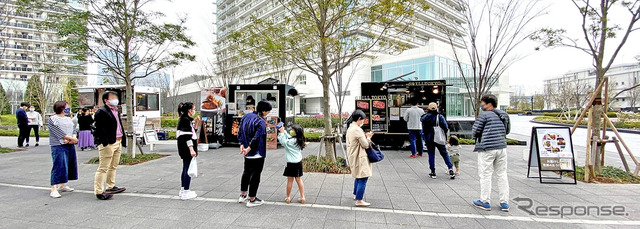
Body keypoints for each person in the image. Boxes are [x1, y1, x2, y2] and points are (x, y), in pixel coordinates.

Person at [472, 94, 511, 212]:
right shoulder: (504, 115)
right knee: (502, 174)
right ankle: (504, 203)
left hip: (487, 148)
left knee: (485, 174)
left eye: (482, 103)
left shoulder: (484, 115)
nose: (481, 105)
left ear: (489, 104)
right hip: (501, 147)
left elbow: (475, 131)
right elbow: (507, 131)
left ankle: (485, 201)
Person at [237, 100, 272, 207]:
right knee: (256, 174)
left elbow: (240, 131)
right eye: (268, 111)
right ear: (264, 111)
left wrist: (242, 144)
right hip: (257, 151)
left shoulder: (246, 117)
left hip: (246, 151)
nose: (268, 113)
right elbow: (257, 137)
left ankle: (243, 194)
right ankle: (252, 199)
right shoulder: (260, 121)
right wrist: (249, 148)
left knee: (246, 172)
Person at [93, 91, 127, 200]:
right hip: (108, 143)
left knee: (113, 166)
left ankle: (110, 185)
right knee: (103, 168)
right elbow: (99, 129)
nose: (115, 99)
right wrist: (105, 142)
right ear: (106, 100)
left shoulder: (115, 111)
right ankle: (99, 191)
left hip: (118, 140)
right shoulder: (101, 112)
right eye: (112, 98)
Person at [48, 101, 78, 198]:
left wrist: (73, 137)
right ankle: (53, 188)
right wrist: (71, 139)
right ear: (60, 107)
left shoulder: (68, 119)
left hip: (69, 144)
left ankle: (62, 185)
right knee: (58, 165)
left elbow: (73, 129)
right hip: (58, 145)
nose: (68, 108)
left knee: (68, 164)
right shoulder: (52, 119)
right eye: (66, 107)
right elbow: (58, 132)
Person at [346, 110, 374, 207]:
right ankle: (359, 200)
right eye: (363, 120)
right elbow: (365, 145)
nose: (363, 122)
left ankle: (356, 194)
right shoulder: (357, 130)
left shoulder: (350, 128)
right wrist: (369, 137)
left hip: (353, 155)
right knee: (363, 177)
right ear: (359, 119)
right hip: (360, 157)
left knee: (358, 175)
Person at [421, 102, 455, 179]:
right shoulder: (439, 117)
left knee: (431, 154)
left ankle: (433, 172)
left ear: (428, 109)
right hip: (439, 138)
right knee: (444, 153)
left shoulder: (425, 117)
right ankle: (450, 169)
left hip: (429, 138)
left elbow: (423, 127)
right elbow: (445, 127)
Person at [278, 124, 306, 204]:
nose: (291, 131)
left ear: (296, 132)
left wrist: (282, 133)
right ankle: (302, 197)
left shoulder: (290, 142)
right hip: (298, 163)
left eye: (293, 130)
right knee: (299, 180)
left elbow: (283, 142)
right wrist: (284, 132)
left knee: (290, 181)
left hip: (291, 163)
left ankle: (288, 197)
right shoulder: (299, 140)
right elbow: (289, 138)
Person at [176, 102, 199, 200]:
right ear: (189, 110)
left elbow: (193, 131)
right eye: (193, 109)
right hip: (186, 148)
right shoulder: (185, 120)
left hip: (183, 147)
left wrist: (197, 122)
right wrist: (191, 149)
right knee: (188, 169)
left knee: (185, 167)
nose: (194, 110)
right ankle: (186, 191)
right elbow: (187, 136)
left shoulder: (185, 119)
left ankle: (183, 189)